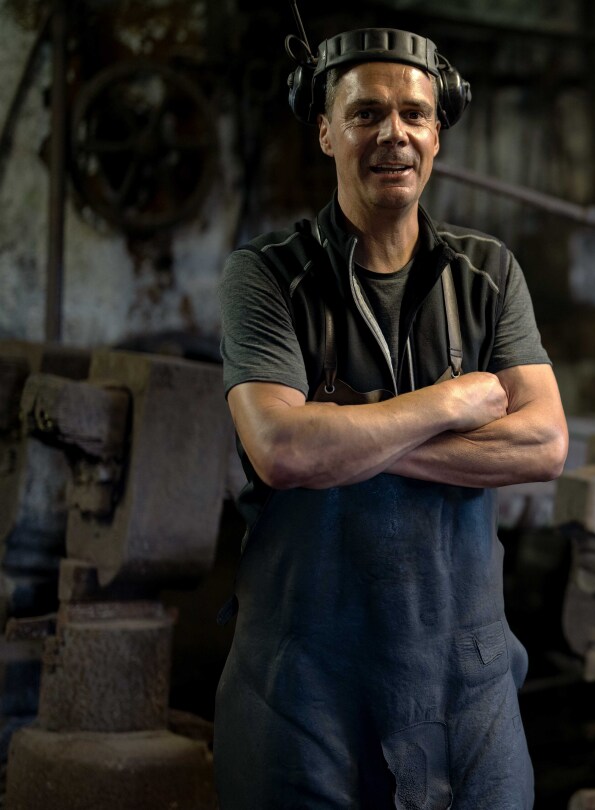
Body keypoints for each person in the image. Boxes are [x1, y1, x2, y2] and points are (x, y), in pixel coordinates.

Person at [213, 27, 566, 809]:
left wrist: (347, 436)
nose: (393, 134)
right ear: (326, 130)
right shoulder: (266, 277)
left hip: (466, 678)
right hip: (303, 679)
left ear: (438, 132)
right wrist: (446, 405)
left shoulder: (489, 275)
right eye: (367, 113)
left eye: (414, 113)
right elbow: (283, 450)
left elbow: (544, 444)